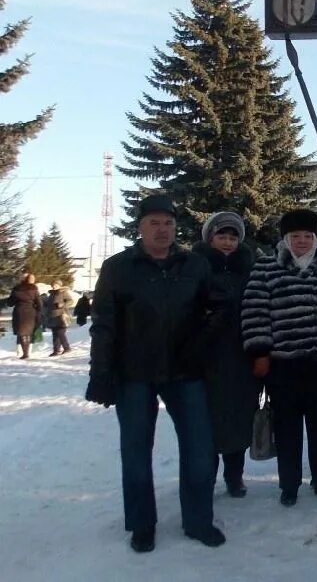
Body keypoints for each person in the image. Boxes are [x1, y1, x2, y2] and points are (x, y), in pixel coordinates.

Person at [84, 194, 225, 553]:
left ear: (176, 227)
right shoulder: (118, 268)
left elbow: (218, 309)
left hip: (186, 371)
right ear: (140, 227)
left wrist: (201, 344)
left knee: (200, 449)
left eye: (168, 223)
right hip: (134, 374)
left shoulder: (194, 265)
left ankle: (198, 520)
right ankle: (142, 523)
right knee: (135, 451)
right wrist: (100, 372)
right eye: (154, 223)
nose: (162, 230)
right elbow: (104, 324)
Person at [242, 208, 317, 507]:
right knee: (288, 428)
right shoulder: (266, 267)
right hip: (284, 364)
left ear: (316, 238)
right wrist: (260, 352)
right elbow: (255, 313)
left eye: (308, 236)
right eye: (296, 236)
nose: (302, 241)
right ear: (285, 238)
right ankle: (289, 485)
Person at [193, 212, 259, 498]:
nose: (228, 242)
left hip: (243, 355)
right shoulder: (194, 268)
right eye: (222, 236)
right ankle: (206, 475)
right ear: (210, 238)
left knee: (241, 417)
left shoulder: (250, 268)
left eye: (233, 237)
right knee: (207, 421)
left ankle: (235, 476)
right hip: (207, 357)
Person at [7, 272, 41, 360]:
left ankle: (25, 353)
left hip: (19, 312)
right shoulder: (34, 289)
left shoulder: (17, 289)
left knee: (22, 333)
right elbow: (39, 303)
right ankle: (27, 352)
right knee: (28, 332)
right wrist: (38, 311)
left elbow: (10, 303)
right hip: (31, 312)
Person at [44, 280, 74, 356]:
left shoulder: (63, 292)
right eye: (53, 285)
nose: (54, 286)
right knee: (55, 334)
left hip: (61, 316)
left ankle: (67, 348)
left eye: (56, 285)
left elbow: (70, 301)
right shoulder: (51, 294)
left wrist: (62, 304)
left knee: (61, 333)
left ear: (59, 285)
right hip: (53, 317)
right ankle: (56, 350)